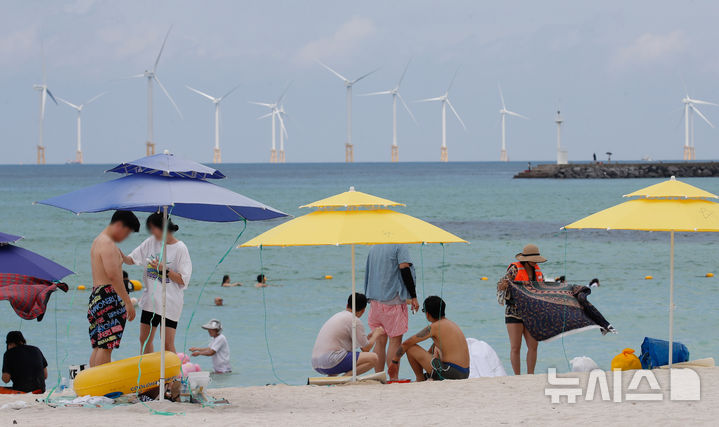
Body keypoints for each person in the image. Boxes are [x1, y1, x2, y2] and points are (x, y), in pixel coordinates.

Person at [123, 213, 192, 354]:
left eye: (153, 228)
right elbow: (131, 259)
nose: (152, 232)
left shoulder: (180, 248)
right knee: (144, 339)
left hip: (170, 302)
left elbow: (183, 279)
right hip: (151, 300)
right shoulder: (151, 242)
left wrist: (164, 270)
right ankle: (149, 373)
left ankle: (174, 376)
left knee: (167, 344)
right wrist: (119, 255)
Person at [88, 210, 139, 367]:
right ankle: (99, 385)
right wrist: (128, 302)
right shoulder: (108, 244)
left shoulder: (98, 241)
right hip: (108, 296)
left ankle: (93, 384)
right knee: (106, 345)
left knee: (99, 344)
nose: (125, 237)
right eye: (127, 232)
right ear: (119, 225)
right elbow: (114, 276)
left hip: (97, 295)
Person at [364, 244, 418, 379]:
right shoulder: (399, 246)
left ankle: (378, 377)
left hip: (375, 301)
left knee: (380, 342)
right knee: (395, 342)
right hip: (393, 300)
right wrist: (413, 296)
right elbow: (404, 269)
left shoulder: (374, 247)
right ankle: (393, 378)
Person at [388, 296, 469, 381]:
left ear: (427, 314)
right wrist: (422, 360)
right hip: (464, 373)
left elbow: (407, 343)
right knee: (435, 348)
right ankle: (426, 377)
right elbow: (434, 348)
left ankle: (420, 379)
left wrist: (394, 362)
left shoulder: (435, 327)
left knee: (411, 348)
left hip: (451, 373)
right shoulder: (451, 324)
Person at [496, 243, 545, 375]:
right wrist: (503, 285)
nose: (535, 262)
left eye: (537, 259)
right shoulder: (514, 269)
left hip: (532, 313)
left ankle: (530, 375)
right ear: (526, 259)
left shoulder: (538, 271)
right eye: (533, 259)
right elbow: (500, 285)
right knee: (515, 347)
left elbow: (543, 290)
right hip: (514, 312)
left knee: (533, 346)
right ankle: (517, 376)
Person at [311, 293, 385, 376]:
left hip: (316, 363)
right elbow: (366, 348)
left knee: (343, 353)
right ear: (363, 310)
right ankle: (346, 378)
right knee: (373, 358)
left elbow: (360, 346)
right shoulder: (354, 320)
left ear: (347, 305)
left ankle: (332, 380)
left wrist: (368, 338)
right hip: (330, 362)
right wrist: (376, 334)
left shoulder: (338, 315)